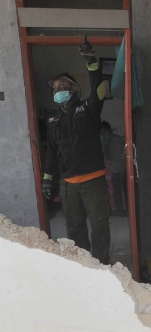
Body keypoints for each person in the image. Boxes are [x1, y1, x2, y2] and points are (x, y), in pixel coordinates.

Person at [41, 35, 111, 264]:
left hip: (93, 181)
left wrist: (91, 62)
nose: (58, 89)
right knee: (75, 230)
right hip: (68, 185)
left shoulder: (87, 108)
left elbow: (100, 88)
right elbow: (51, 152)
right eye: (55, 88)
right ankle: (84, 267)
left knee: (100, 226)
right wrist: (48, 178)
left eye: (63, 86)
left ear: (73, 88)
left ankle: (101, 267)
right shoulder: (53, 119)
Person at [100, 121, 127, 216]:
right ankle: (129, 209)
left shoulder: (105, 140)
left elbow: (104, 154)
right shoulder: (119, 138)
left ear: (103, 132)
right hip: (126, 165)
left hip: (116, 167)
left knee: (117, 189)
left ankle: (119, 211)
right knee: (127, 189)